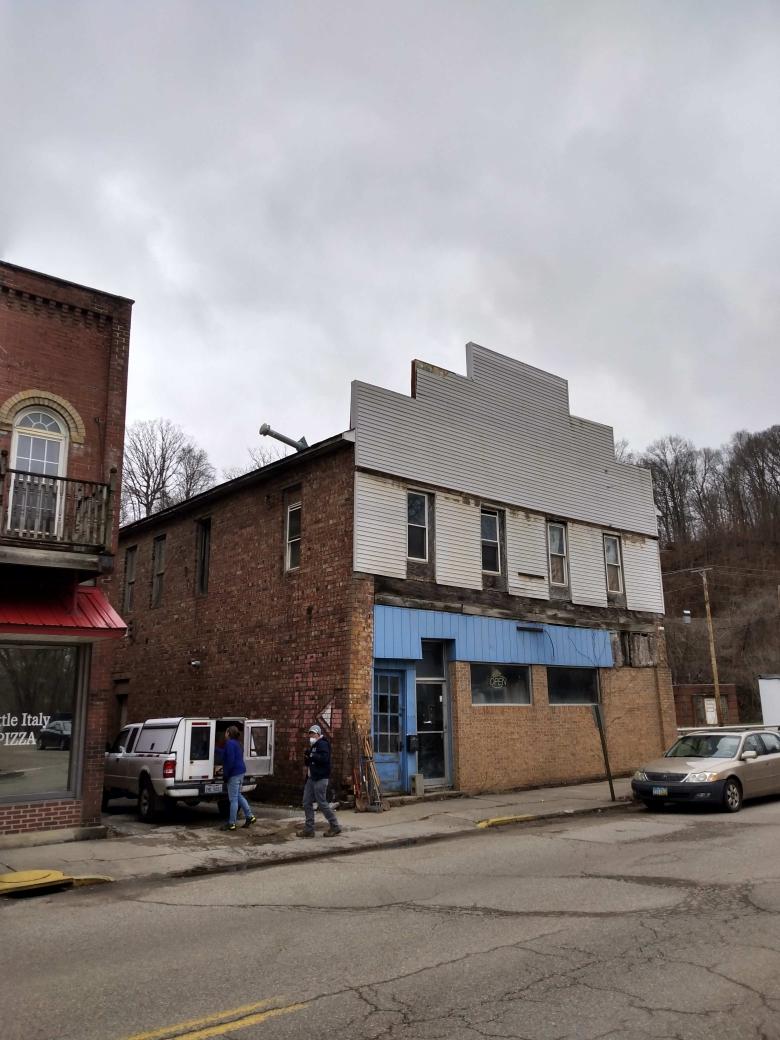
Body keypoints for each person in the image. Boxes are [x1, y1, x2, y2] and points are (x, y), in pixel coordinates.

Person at [297, 724, 341, 838]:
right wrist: (307, 757)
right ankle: (309, 829)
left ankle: (335, 825)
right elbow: (310, 762)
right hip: (311, 778)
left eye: (313, 734)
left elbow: (324, 759)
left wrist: (312, 755)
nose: (311, 736)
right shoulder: (313, 746)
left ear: (318, 734)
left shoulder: (323, 744)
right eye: (310, 734)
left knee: (321, 803)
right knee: (306, 802)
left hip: (320, 778)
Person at [221, 724, 256, 831]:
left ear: (228, 733)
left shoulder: (229, 743)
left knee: (233, 799)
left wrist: (226, 775)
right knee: (238, 795)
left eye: (226, 732)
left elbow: (230, 760)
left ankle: (231, 823)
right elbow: (230, 755)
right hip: (241, 772)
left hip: (234, 774)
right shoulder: (238, 744)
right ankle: (250, 816)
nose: (224, 734)